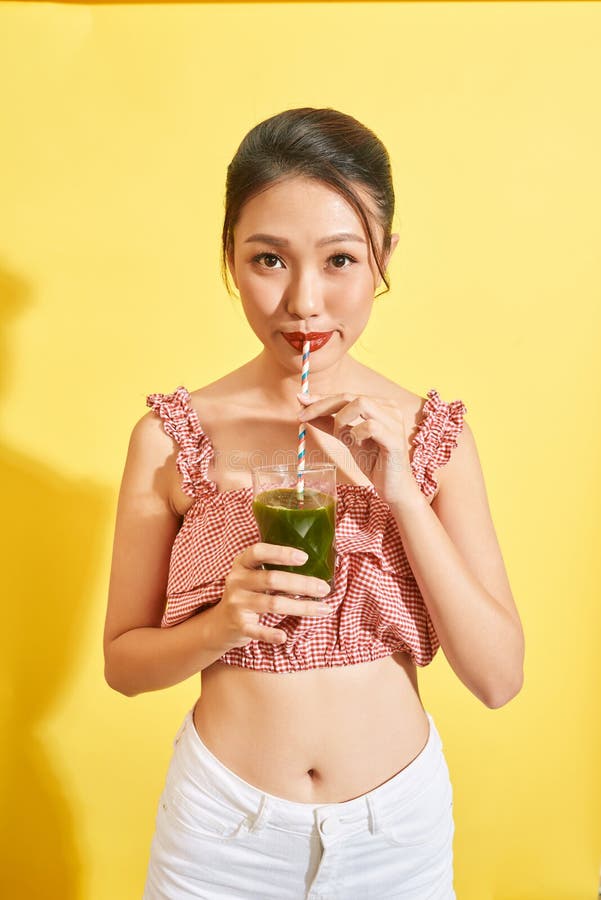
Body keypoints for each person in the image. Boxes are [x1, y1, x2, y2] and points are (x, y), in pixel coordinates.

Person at [103, 107, 525, 899]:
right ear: (229, 255)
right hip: (221, 838)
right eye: (268, 259)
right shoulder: (171, 437)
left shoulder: (434, 437)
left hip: (395, 835)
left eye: (339, 260)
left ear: (383, 260)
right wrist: (220, 625)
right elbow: (122, 665)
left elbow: (498, 678)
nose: (304, 302)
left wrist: (400, 490)